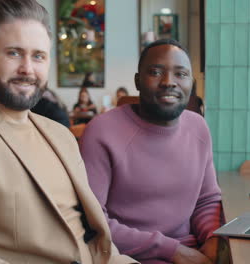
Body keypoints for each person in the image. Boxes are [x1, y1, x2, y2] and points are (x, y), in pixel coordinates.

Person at [0, 0, 137, 263]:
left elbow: (95, 241)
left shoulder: (60, 135)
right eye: (13, 53)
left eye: (38, 56)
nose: (27, 69)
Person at [80, 39, 224, 264]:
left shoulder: (198, 127)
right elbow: (93, 220)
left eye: (181, 74)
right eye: (156, 72)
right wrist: (173, 251)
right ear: (137, 81)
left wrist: (213, 238)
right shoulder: (101, 131)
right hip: (125, 256)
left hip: (193, 251)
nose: (169, 82)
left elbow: (207, 200)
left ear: (191, 83)